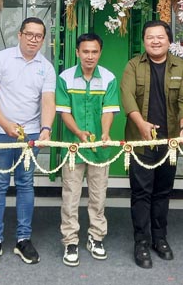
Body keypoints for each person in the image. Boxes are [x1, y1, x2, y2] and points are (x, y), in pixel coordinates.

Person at [0, 17, 56, 267]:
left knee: (25, 184)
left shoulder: (46, 67)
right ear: (20, 35)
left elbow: (47, 101)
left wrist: (46, 128)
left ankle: (23, 239)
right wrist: (4, 123)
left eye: (39, 36)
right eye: (29, 34)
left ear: (43, 39)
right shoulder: (1, 59)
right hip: (0, 131)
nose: (34, 39)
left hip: (31, 134)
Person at [120, 20, 183, 269]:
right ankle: (141, 241)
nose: (155, 41)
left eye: (160, 37)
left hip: (169, 142)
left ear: (169, 40)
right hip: (140, 142)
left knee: (163, 192)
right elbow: (127, 96)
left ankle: (159, 239)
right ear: (144, 41)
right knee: (141, 193)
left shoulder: (181, 67)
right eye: (150, 37)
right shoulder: (133, 65)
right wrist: (140, 124)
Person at [56, 33, 120, 267]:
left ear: (99, 53)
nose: (90, 56)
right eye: (85, 51)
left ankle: (96, 237)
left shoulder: (109, 78)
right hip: (74, 148)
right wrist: (79, 133)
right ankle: (70, 241)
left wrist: (105, 134)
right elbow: (64, 112)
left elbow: (108, 110)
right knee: (70, 196)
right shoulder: (64, 78)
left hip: (100, 149)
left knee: (98, 196)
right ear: (77, 52)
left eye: (94, 52)